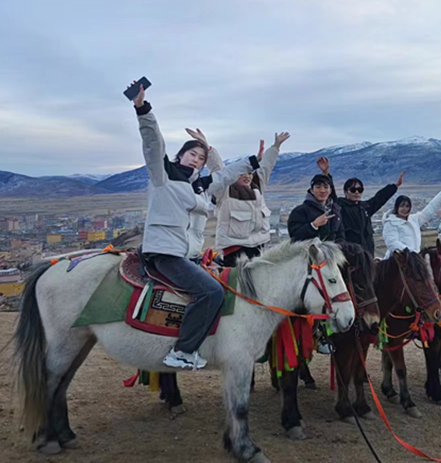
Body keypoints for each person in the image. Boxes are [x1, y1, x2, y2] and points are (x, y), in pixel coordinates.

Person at [129, 82, 259, 370]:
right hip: (166, 253)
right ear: (180, 155)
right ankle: (183, 350)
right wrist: (143, 109)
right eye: (192, 154)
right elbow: (153, 143)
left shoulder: (201, 187)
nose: (197, 160)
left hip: (189, 255)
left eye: (201, 158)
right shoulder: (163, 174)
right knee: (211, 292)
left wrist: (253, 161)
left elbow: (225, 175)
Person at [212, 132, 290, 266]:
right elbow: (217, 170)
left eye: (249, 173)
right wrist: (210, 152)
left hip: (258, 245)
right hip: (234, 248)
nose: (247, 176)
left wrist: (276, 146)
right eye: (242, 173)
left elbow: (266, 165)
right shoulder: (225, 191)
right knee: (236, 278)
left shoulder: (257, 185)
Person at [315, 156, 403, 255]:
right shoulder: (340, 206)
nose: (357, 192)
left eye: (360, 190)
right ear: (345, 192)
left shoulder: (365, 207)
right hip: (349, 255)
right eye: (353, 190)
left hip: (367, 255)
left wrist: (395, 186)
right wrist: (325, 173)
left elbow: (380, 198)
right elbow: (331, 194)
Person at [382, 183, 441, 259]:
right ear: (397, 207)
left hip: (414, 258)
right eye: (402, 206)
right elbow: (392, 242)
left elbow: (430, 209)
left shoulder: (414, 219)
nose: (404, 209)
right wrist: (408, 251)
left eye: (407, 206)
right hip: (398, 259)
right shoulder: (390, 223)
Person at [287, 173, 346, 243]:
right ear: (311, 190)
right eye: (318, 187)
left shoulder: (334, 210)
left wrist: (339, 246)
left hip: (332, 249)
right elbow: (294, 237)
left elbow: (341, 234)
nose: (322, 190)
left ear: (330, 191)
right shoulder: (300, 211)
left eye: (326, 187)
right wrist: (313, 225)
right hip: (309, 249)